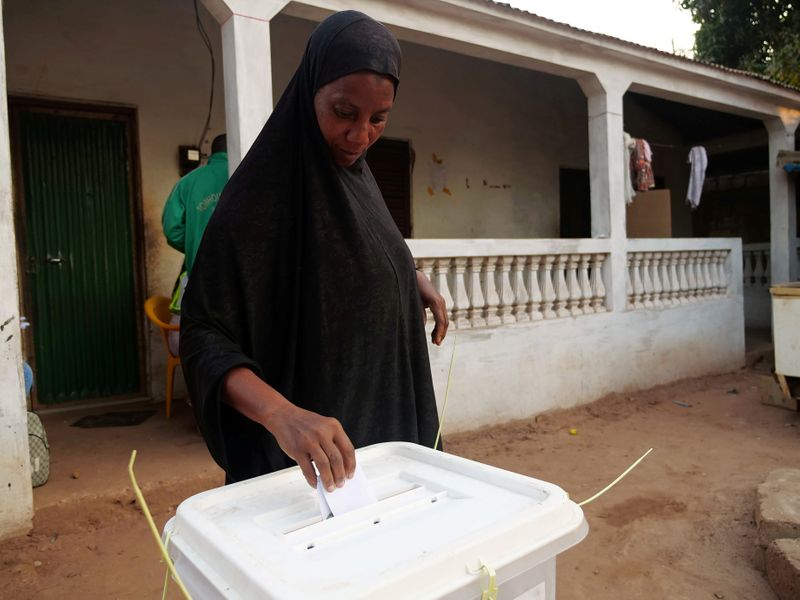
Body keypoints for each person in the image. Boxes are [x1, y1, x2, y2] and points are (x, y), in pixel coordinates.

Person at [179, 11, 449, 492]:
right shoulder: (262, 196)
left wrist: (408, 278)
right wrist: (284, 416)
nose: (360, 135)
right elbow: (204, 335)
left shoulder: (357, 178)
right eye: (344, 112)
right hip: (309, 465)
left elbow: (363, 244)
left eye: (378, 119)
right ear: (309, 94)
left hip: (387, 428)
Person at [162, 134, 228, 353]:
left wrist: (194, 244)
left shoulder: (188, 182)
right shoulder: (252, 175)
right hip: (244, 280)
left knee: (204, 343)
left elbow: (172, 230)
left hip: (199, 276)